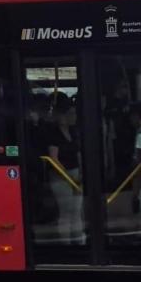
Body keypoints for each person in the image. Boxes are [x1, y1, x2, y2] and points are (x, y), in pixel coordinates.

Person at [44, 93, 84, 244]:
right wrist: (68, 177)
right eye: (71, 113)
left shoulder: (74, 132)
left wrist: (80, 174)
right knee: (66, 212)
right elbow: (54, 158)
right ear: (62, 116)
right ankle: (66, 243)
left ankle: (80, 241)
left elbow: (78, 153)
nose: (74, 116)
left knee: (77, 211)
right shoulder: (54, 134)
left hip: (75, 174)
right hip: (60, 176)